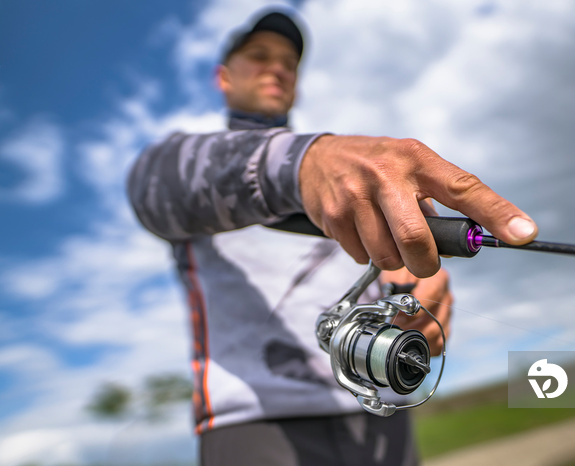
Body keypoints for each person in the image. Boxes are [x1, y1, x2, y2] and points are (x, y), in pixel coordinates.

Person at [127, 8, 537, 466]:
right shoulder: (184, 169)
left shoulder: (344, 187)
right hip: (254, 428)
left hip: (381, 407)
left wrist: (416, 283)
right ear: (223, 78)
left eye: (289, 62)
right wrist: (305, 160)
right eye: (259, 56)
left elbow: (399, 276)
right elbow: (151, 184)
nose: (277, 67)